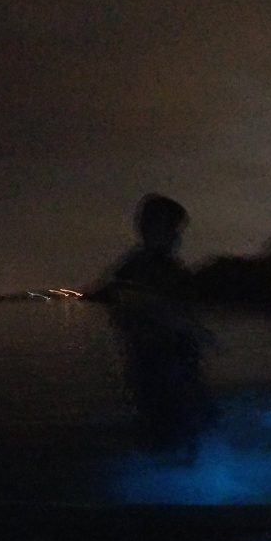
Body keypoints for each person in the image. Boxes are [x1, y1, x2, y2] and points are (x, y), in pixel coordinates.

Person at [90, 194, 214, 457]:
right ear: (152, 229)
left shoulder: (168, 268)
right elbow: (134, 303)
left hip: (177, 365)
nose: (177, 237)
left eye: (178, 230)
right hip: (156, 367)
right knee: (170, 430)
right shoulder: (135, 269)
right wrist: (190, 328)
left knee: (193, 426)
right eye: (172, 229)